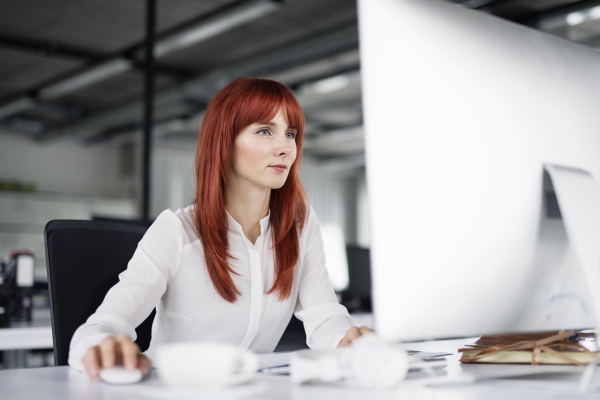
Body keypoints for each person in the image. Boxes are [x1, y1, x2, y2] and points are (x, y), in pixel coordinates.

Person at [69, 77, 373, 378]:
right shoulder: (176, 230)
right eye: (265, 131)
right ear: (225, 142)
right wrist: (99, 345)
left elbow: (324, 317)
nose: (285, 148)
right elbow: (105, 323)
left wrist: (344, 339)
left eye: (291, 134)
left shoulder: (300, 226)